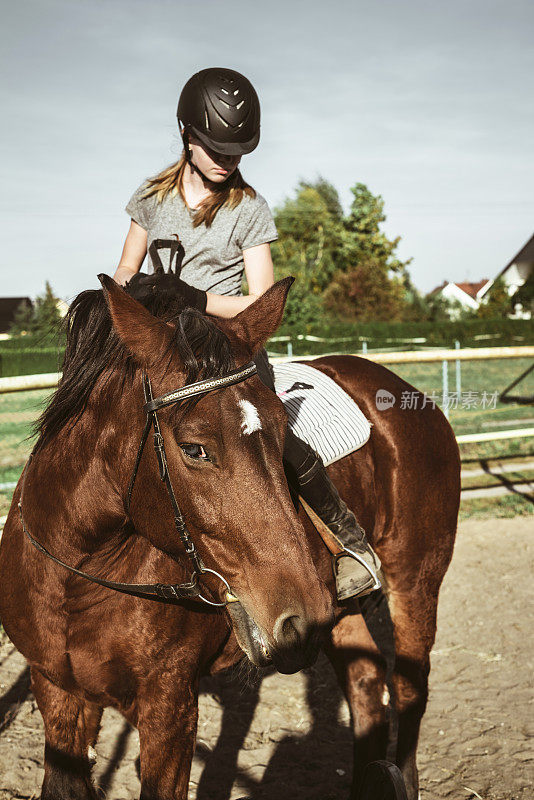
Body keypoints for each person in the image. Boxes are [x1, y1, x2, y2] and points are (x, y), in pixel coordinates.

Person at [113, 67, 380, 601]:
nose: (227, 160)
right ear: (187, 134)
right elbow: (123, 270)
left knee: (276, 441)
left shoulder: (249, 209)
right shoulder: (149, 197)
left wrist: (196, 300)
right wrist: (125, 300)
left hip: (227, 348)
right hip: (165, 351)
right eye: (216, 148)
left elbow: (261, 299)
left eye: (237, 152)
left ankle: (353, 546)